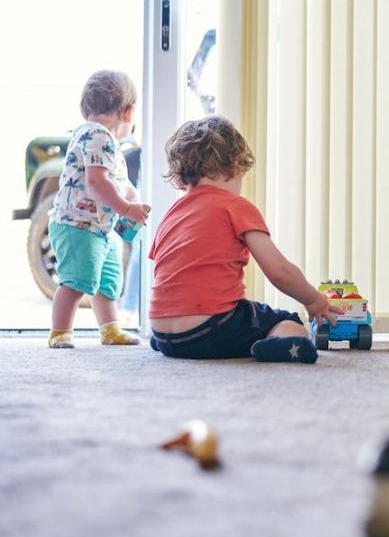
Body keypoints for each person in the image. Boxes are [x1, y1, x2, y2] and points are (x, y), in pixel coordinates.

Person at [148, 116, 341, 360]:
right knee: (286, 321)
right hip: (211, 330)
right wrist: (314, 300)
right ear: (234, 167)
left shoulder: (171, 215)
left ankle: (175, 340)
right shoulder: (236, 206)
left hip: (165, 334)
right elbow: (279, 271)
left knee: (232, 315)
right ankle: (277, 344)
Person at [48, 70, 151, 348]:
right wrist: (127, 207)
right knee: (75, 280)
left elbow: (112, 179)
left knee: (107, 281)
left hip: (98, 228)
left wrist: (129, 194)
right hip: (77, 225)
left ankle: (110, 328)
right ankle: (59, 331)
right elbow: (96, 181)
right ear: (128, 112)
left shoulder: (96, 136)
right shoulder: (100, 136)